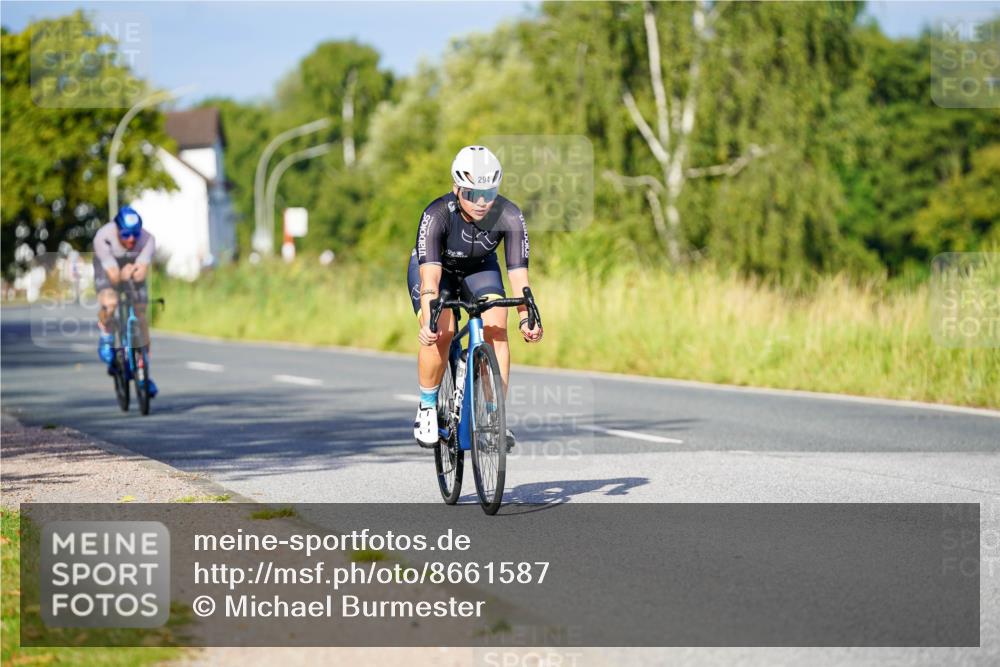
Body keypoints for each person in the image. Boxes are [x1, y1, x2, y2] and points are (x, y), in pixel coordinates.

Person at [407, 145, 543, 447]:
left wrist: (527, 317)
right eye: (472, 194)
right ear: (457, 188)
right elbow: (430, 278)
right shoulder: (437, 213)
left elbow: (519, 275)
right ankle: (427, 406)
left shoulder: (508, 214)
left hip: (480, 269)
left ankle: (495, 416)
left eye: (489, 192)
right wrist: (428, 317)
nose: (482, 202)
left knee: (497, 325)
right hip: (434, 268)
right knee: (442, 330)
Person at [93, 205, 158, 397]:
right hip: (108, 268)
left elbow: (141, 272)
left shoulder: (147, 239)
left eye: (135, 235)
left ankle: (143, 369)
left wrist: (136, 273)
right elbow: (113, 277)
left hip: (131, 268)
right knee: (110, 302)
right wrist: (123, 273)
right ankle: (106, 333)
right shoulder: (102, 237)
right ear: (117, 230)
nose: (131, 239)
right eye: (126, 234)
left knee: (140, 311)